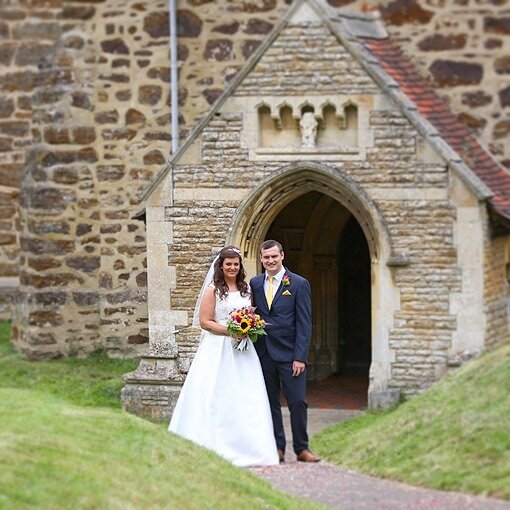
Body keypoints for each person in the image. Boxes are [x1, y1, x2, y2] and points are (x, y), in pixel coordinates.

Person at [169, 246, 279, 467]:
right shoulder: (213, 290)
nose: (232, 267)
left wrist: (249, 328)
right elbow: (205, 322)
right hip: (218, 349)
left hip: (244, 350)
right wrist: (232, 331)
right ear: (221, 266)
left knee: (245, 394)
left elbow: (250, 314)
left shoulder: (246, 288)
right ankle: (211, 444)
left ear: (240, 266)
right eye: (228, 264)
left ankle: (249, 447)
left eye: (236, 264)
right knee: (216, 392)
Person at [250, 240, 320, 463]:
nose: (270, 261)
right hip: (264, 354)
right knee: (270, 402)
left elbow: (304, 323)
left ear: (282, 256)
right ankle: (277, 448)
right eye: (266, 257)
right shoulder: (255, 283)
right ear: (261, 259)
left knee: (297, 402)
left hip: (291, 356)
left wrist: (300, 357)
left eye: (274, 257)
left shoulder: (299, 284)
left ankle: (302, 448)